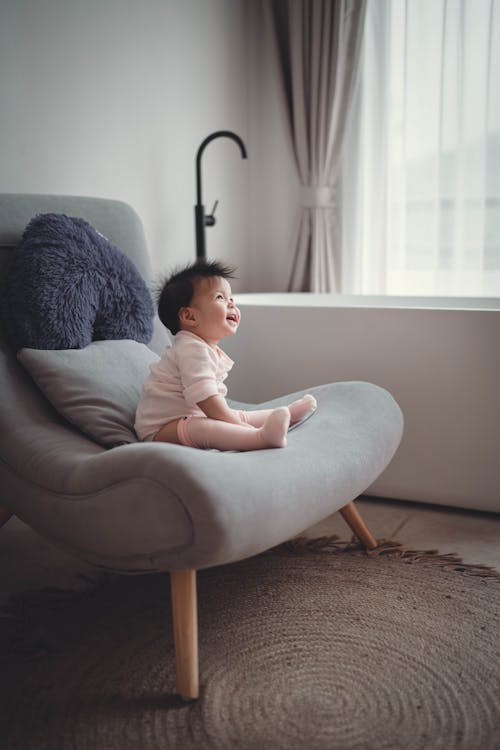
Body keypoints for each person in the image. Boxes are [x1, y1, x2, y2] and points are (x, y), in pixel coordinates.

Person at [134, 260, 316, 450]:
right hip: (160, 429)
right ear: (189, 317)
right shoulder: (190, 348)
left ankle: (287, 415)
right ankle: (260, 438)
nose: (231, 303)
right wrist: (239, 426)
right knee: (205, 427)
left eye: (232, 299)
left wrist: (234, 419)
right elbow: (207, 400)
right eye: (220, 297)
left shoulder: (201, 347)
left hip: (187, 416)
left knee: (236, 414)